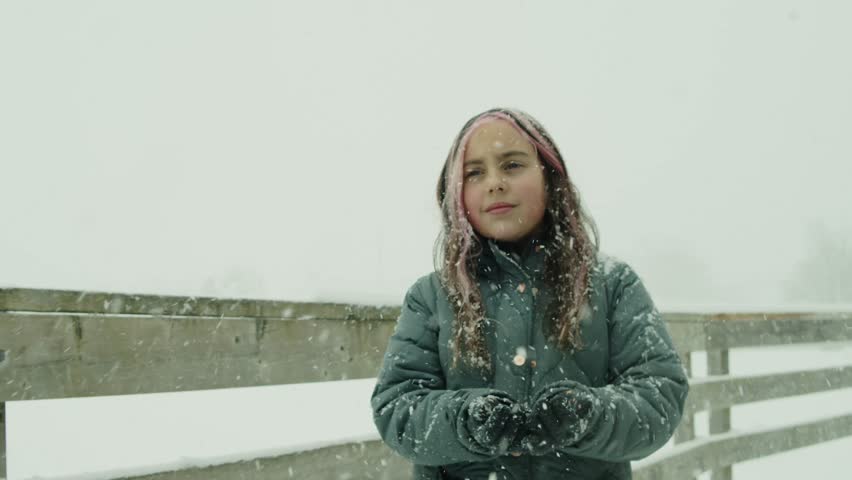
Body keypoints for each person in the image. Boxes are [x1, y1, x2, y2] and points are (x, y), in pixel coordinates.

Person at [371, 107, 689, 480]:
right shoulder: (432, 294)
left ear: (549, 177)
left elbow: (659, 396)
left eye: (512, 165)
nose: (495, 183)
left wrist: (588, 415)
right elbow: (398, 408)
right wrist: (466, 419)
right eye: (475, 172)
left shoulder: (612, 284)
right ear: (456, 194)